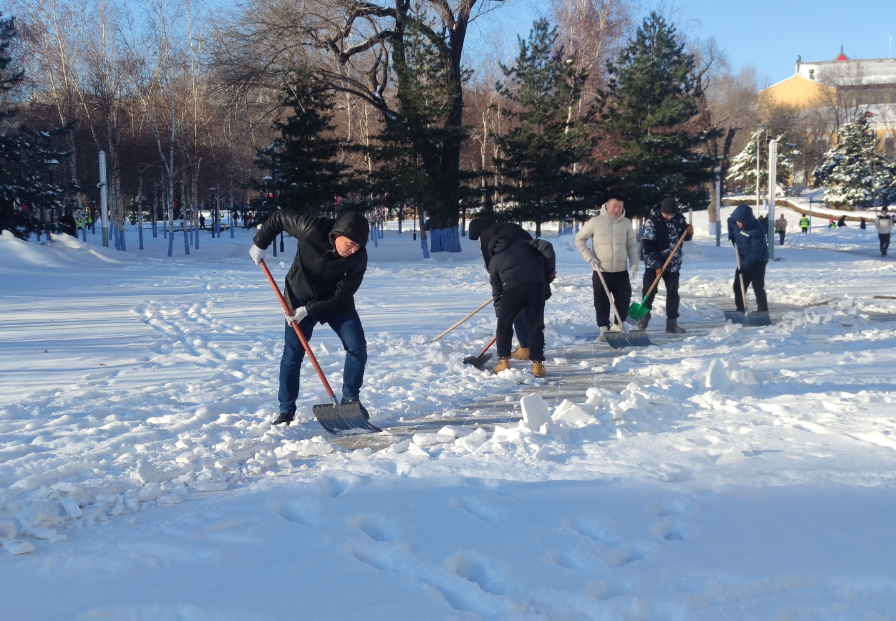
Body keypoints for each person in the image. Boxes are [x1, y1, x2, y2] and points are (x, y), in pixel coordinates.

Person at [249, 210, 372, 426]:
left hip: (337, 303)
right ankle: (286, 410)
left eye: (358, 246)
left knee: (357, 347)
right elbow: (280, 217)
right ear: (338, 234)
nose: (354, 250)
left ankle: (351, 400)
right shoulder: (311, 228)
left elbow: (343, 293)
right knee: (293, 354)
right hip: (299, 297)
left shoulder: (359, 258)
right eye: (351, 244)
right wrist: (260, 243)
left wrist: (310, 310)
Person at [485, 226, 555, 377]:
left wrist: (501, 313)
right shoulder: (527, 245)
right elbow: (547, 247)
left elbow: (497, 291)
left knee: (504, 325)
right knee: (535, 326)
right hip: (537, 286)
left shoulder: (494, 260)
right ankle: (537, 365)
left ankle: (503, 362)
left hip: (512, 288)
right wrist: (548, 275)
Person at [574, 193, 639, 340]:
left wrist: (634, 266)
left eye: (620, 207)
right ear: (607, 205)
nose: (617, 210)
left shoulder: (626, 223)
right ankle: (603, 329)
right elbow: (579, 239)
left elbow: (632, 246)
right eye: (614, 206)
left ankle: (617, 327)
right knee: (601, 301)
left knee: (624, 300)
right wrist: (589, 258)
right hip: (601, 270)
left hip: (621, 271)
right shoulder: (595, 222)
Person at [469, 218, 534, 361]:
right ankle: (530, 345)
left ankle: (525, 348)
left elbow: (490, 266)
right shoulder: (512, 228)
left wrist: (502, 287)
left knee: (514, 309)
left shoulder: (486, 236)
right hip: (536, 267)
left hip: (512, 273)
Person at [638, 197, 694, 333]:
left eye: (671, 214)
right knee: (649, 290)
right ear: (661, 211)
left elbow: (684, 237)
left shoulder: (679, 219)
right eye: (666, 214)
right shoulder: (652, 221)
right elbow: (647, 245)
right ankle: (643, 316)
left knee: (673, 293)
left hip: (673, 264)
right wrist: (656, 265)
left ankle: (672, 323)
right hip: (653, 263)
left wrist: (689, 232)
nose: (669, 217)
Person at [728, 204, 769, 314]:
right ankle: (740, 310)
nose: (739, 224)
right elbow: (730, 222)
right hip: (742, 258)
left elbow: (756, 252)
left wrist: (745, 266)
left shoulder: (758, 229)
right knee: (738, 286)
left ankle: (763, 311)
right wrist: (731, 235)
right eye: (737, 221)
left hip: (758, 260)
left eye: (741, 222)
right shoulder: (734, 221)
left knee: (757, 286)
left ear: (747, 220)